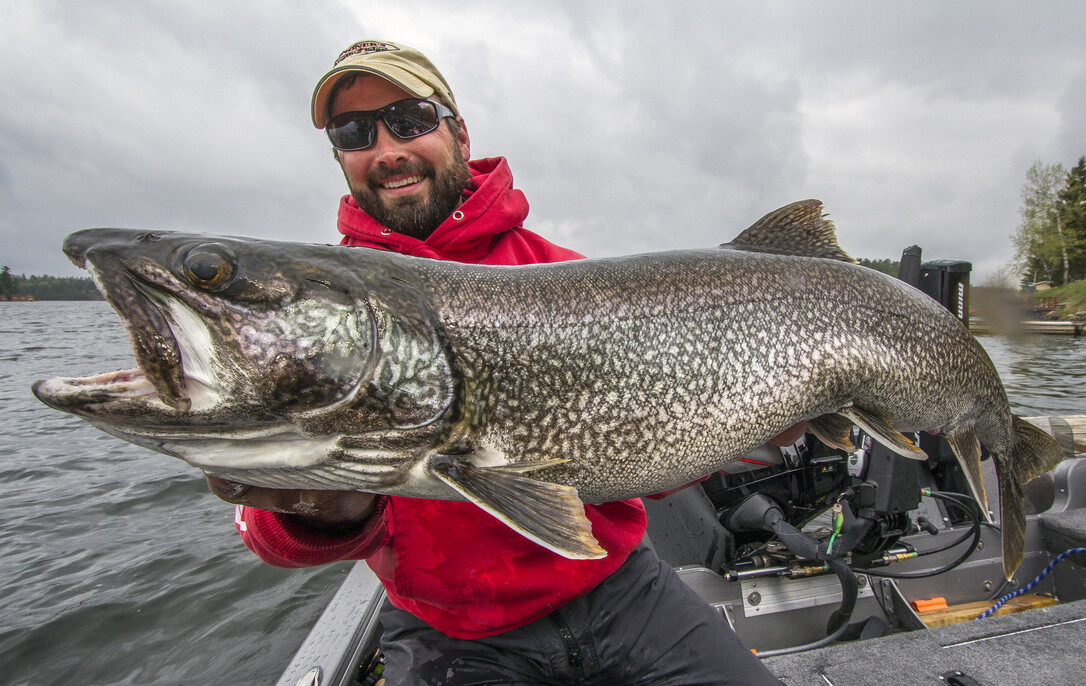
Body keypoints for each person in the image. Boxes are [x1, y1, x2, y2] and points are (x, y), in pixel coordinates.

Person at [206, 40, 786, 686]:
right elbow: (265, 529)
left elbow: (652, 457)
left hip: (622, 588)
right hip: (450, 634)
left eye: (410, 119)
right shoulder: (318, 305)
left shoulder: (561, 277)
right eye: (354, 132)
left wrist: (755, 415)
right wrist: (323, 511)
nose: (388, 148)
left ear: (457, 131)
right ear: (341, 158)